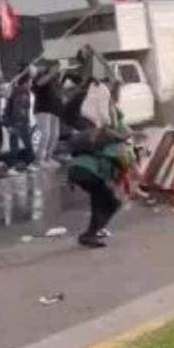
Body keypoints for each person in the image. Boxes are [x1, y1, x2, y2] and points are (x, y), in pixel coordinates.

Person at [66, 97, 135, 248]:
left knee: (99, 200)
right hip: (90, 173)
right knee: (113, 202)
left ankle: (92, 232)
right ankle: (90, 234)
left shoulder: (96, 137)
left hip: (75, 170)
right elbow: (122, 168)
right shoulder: (116, 145)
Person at [32, 61, 64, 168]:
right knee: (45, 134)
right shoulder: (41, 76)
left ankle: (48, 157)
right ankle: (38, 159)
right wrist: (50, 74)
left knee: (55, 135)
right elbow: (37, 85)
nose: (58, 69)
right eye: (56, 67)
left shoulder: (56, 80)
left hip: (54, 110)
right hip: (43, 109)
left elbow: (58, 93)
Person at [5, 68, 35, 170]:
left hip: (22, 122)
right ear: (25, 82)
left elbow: (25, 109)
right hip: (16, 122)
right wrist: (11, 124)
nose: (31, 84)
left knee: (27, 143)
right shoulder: (19, 92)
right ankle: (12, 166)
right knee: (15, 144)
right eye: (30, 82)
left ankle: (28, 163)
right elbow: (15, 109)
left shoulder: (26, 93)